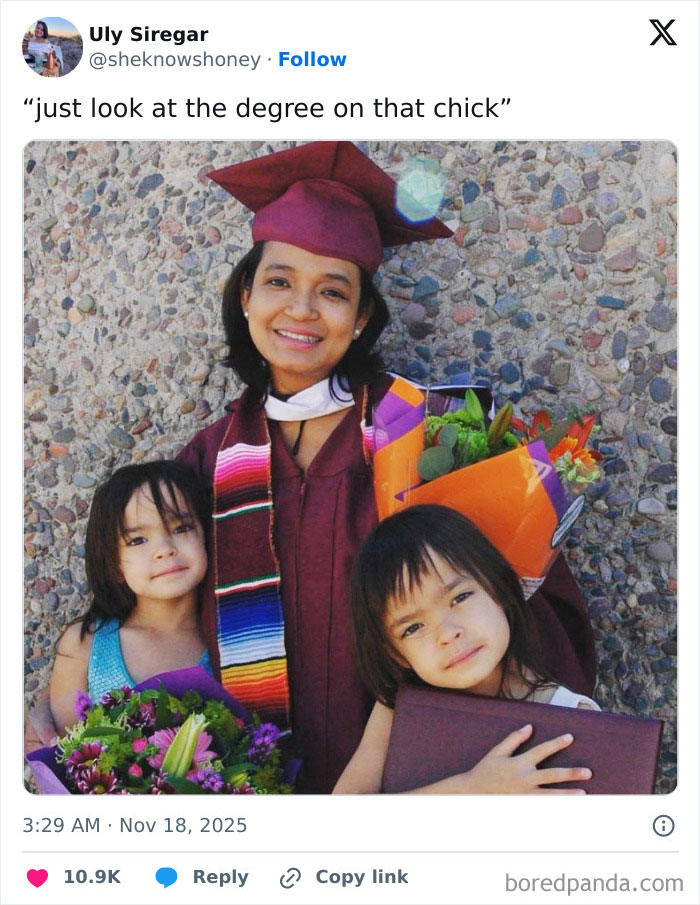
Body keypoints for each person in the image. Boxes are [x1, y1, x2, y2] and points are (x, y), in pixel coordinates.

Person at [174, 141, 596, 794]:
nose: (302, 309)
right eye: (279, 281)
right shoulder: (207, 459)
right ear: (246, 294)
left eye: (333, 291)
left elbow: (532, 599)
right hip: (254, 785)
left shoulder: (436, 427)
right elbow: (152, 611)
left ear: (362, 315)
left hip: (428, 780)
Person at [334, 505, 599, 794]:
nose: (448, 634)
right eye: (413, 628)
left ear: (498, 588)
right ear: (396, 654)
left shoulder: (574, 718)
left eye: (459, 597)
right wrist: (469, 790)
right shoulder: (397, 706)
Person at [48, 462, 213, 734]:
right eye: (137, 540)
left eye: (181, 528)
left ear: (207, 535)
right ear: (114, 565)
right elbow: (64, 750)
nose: (165, 549)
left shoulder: (228, 642)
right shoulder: (85, 644)